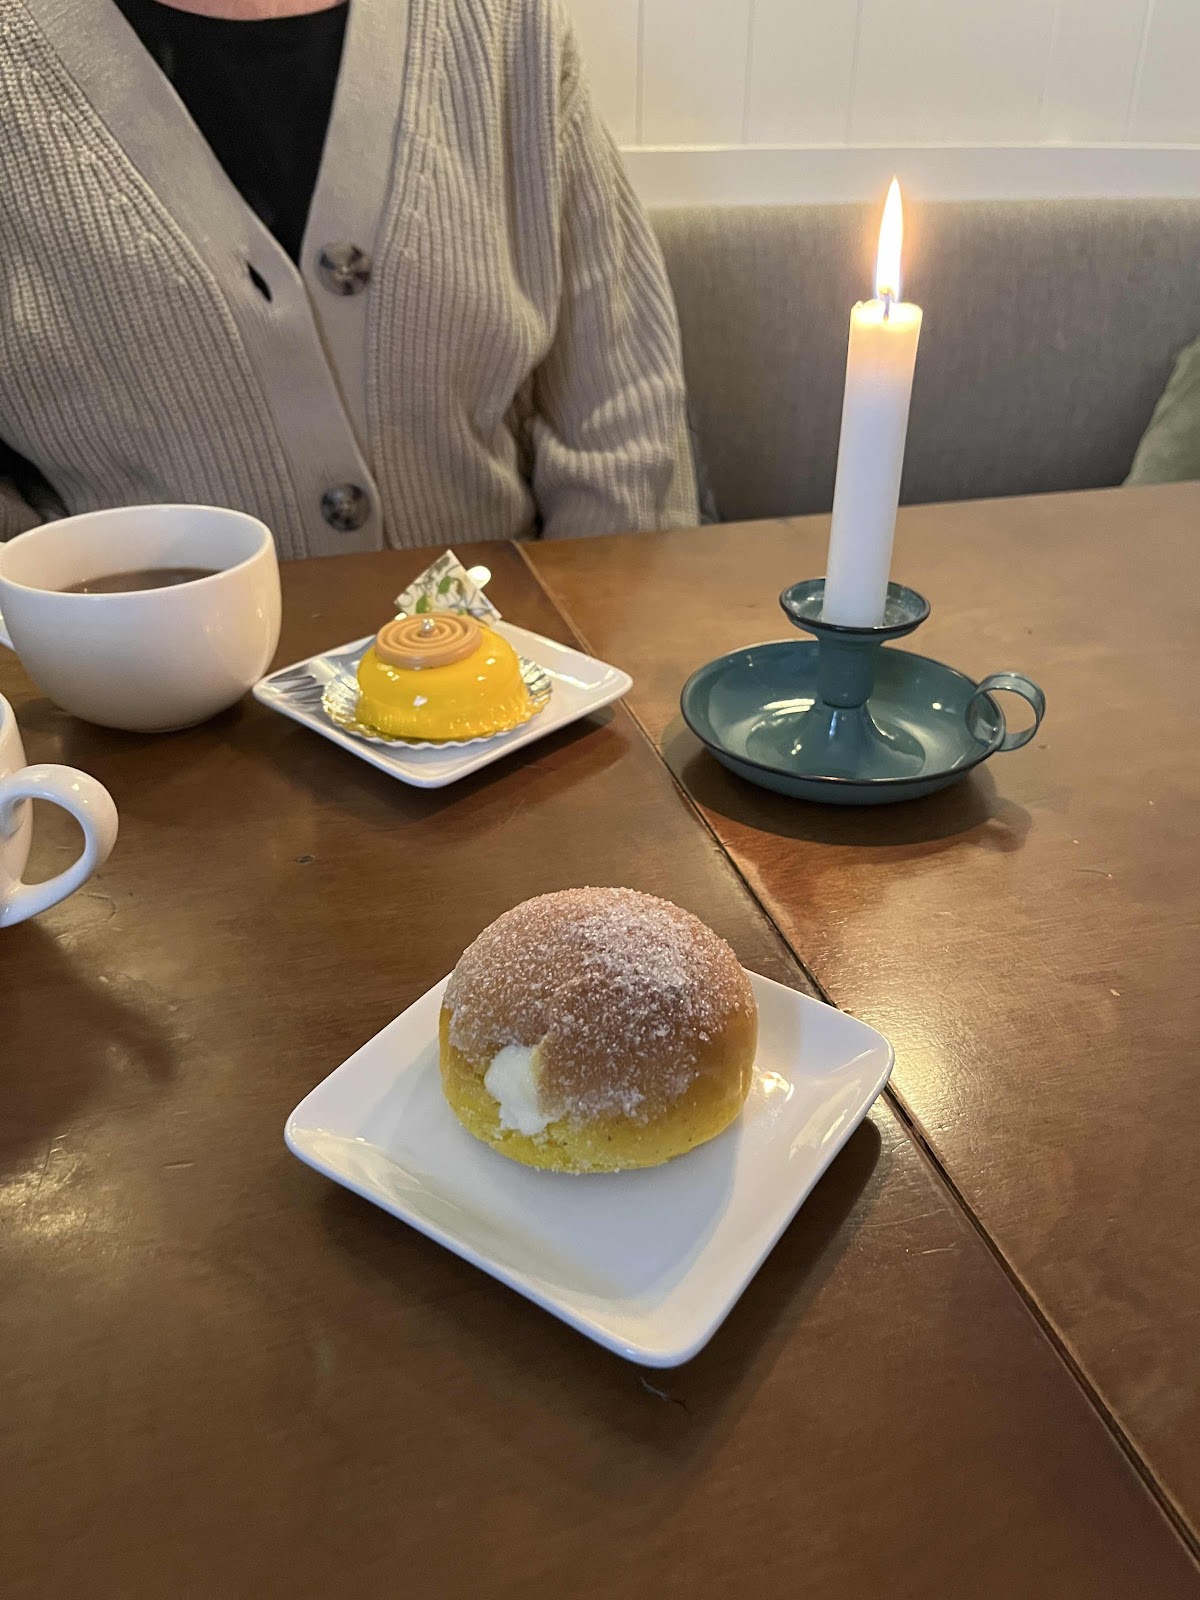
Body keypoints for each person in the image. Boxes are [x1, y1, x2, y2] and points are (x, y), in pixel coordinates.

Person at [0, 0, 698, 557]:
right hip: (122, 686)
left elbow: (622, 420)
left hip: (521, 666)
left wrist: (582, 658)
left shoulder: (505, 25)